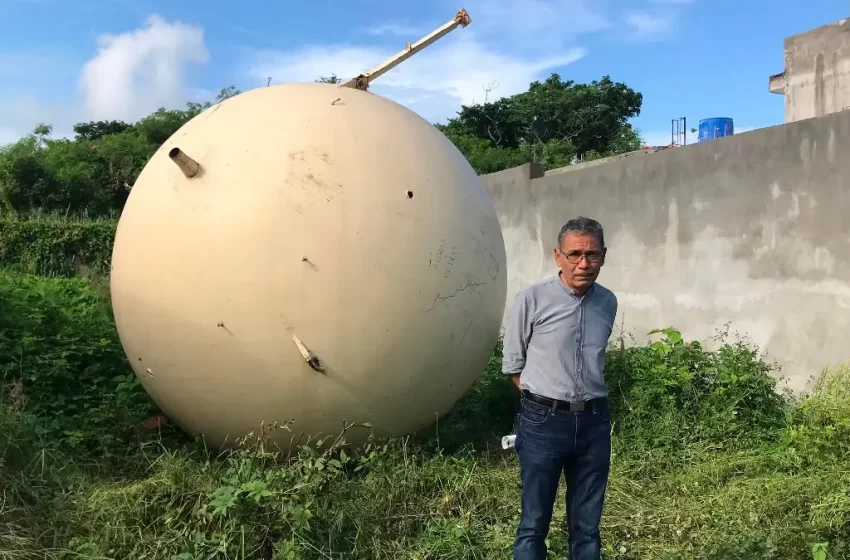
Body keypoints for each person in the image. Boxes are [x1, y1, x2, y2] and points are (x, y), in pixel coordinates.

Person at [502, 216, 618, 560]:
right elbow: (513, 365)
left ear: (603, 256)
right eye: (575, 254)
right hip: (543, 423)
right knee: (534, 522)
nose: (584, 263)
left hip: (595, 424)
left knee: (587, 527)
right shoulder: (532, 299)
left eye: (592, 254)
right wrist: (544, 399)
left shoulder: (607, 302)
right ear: (557, 256)